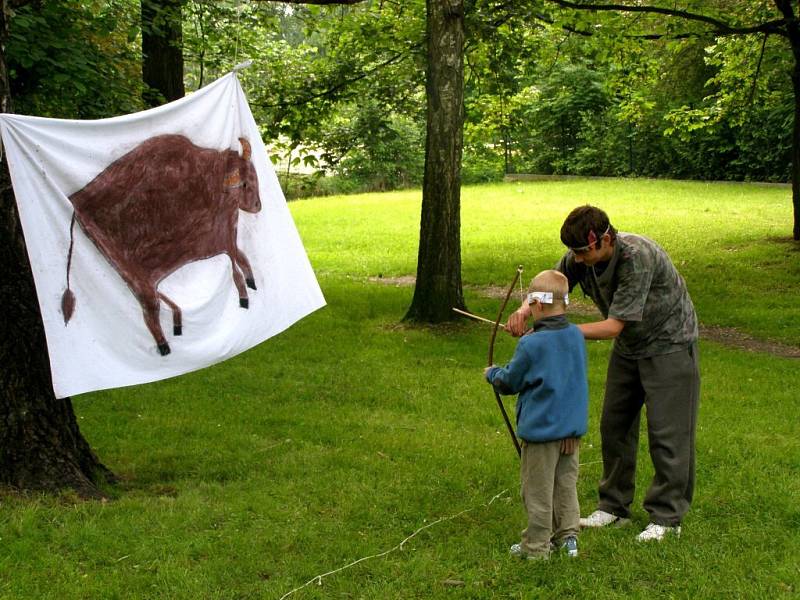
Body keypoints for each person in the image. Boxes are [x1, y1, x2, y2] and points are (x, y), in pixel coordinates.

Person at [506, 205, 700, 542]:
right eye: (573, 253)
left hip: (670, 344)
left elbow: (613, 325)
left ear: (603, 240)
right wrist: (525, 309)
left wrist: (558, 332)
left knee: (668, 434)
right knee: (615, 425)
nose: (577, 260)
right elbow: (551, 288)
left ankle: (667, 518)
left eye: (582, 252)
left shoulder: (636, 258)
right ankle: (613, 506)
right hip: (629, 349)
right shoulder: (578, 257)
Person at [485, 269, 588, 560]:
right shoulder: (576, 336)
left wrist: (493, 373)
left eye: (530, 305)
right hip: (570, 431)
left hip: (543, 433)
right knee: (565, 485)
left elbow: (510, 381)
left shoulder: (530, 344)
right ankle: (568, 540)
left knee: (538, 492)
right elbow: (573, 381)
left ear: (538, 305)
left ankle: (536, 548)